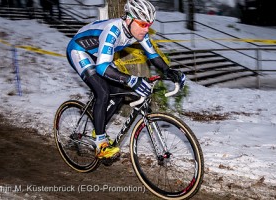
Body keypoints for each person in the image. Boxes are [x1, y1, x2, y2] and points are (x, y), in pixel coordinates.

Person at [66, 0, 186, 159]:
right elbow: (102, 68)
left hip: (98, 54)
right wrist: (132, 80)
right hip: (79, 50)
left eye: (149, 24)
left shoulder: (139, 33)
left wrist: (168, 71)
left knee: (119, 93)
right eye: (143, 24)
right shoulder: (113, 30)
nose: (147, 28)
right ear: (129, 19)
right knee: (102, 92)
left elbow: (153, 56)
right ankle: (100, 143)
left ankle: (97, 129)